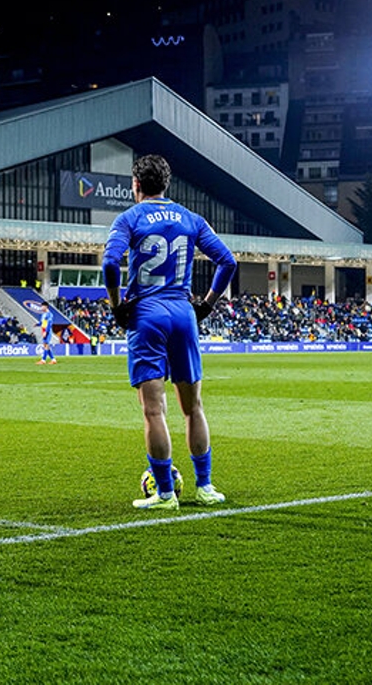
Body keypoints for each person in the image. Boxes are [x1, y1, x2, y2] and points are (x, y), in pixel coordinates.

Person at [102, 154, 237, 510]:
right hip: (183, 312)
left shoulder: (129, 218)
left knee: (153, 410)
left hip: (147, 314)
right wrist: (206, 305)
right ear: (166, 184)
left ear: (136, 185)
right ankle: (205, 488)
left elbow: (110, 263)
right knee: (193, 408)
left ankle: (164, 494)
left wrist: (117, 305)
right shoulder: (190, 219)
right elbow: (228, 261)